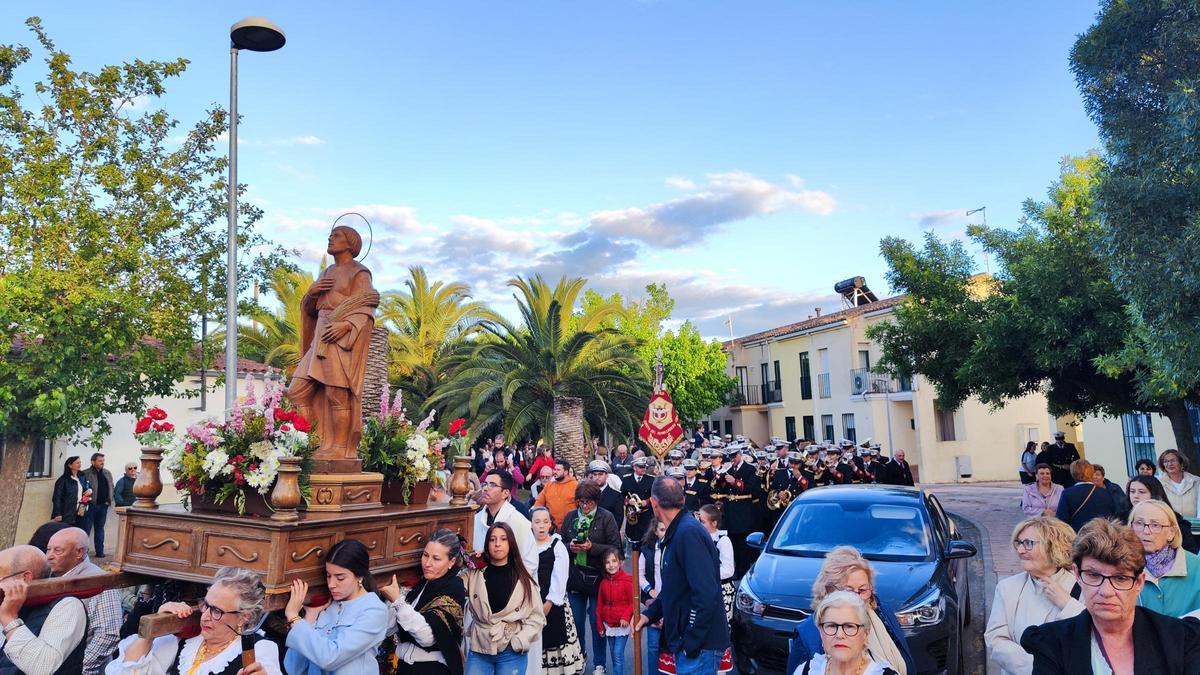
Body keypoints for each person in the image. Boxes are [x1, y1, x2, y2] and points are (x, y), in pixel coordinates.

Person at [1020, 518, 1200, 673]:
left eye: (1121, 578)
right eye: (1093, 575)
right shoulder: (1052, 643)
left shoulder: (1179, 638)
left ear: (1139, 582)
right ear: (1077, 575)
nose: (1106, 591)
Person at [632, 477, 730, 675]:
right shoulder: (677, 532)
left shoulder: (688, 533)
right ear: (683, 500)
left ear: (653, 503)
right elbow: (674, 588)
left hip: (700, 646)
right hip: (691, 642)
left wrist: (691, 641)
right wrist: (650, 615)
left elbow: (705, 594)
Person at [107, 566, 278, 675]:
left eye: (217, 611)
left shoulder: (258, 650)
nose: (205, 616)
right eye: (206, 605)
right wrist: (153, 629)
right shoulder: (187, 641)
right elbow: (126, 670)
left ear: (244, 616)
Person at [785, 546, 914, 675]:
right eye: (848, 591)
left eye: (862, 590)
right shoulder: (807, 637)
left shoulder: (883, 614)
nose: (857, 598)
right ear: (828, 591)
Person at [984, 516, 1084, 674]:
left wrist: (1068, 604)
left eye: (1029, 543)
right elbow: (996, 640)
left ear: (1054, 546)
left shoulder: (1083, 587)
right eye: (1019, 542)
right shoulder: (1007, 588)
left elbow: (1093, 639)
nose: (1020, 550)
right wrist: (1038, 669)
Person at [284, 539, 388, 674]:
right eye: (328, 576)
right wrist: (308, 620)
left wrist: (294, 617)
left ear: (360, 576)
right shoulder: (325, 606)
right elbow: (293, 668)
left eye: (340, 578)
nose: (331, 584)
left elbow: (330, 658)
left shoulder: (374, 611)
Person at [378, 528, 467, 675]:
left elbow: (427, 637)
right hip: (402, 667)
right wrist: (395, 594)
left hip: (431, 669)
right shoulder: (420, 584)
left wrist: (397, 601)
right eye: (425, 555)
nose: (427, 563)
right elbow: (388, 627)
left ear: (451, 562)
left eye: (436, 559)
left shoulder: (454, 586)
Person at [465, 522, 546, 675]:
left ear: (511, 544)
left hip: (511, 651)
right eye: (492, 539)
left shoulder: (523, 579)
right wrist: (467, 560)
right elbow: (453, 584)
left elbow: (537, 617)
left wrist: (519, 640)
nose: (497, 544)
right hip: (479, 649)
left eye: (503, 539)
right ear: (487, 544)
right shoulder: (474, 574)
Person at [561, 481, 621, 674]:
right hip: (576, 577)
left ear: (596, 501)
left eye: (589, 502)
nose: (585, 506)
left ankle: (600, 663)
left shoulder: (606, 517)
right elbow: (561, 545)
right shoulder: (571, 517)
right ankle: (580, 656)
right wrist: (569, 546)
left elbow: (615, 549)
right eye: (581, 502)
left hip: (599, 579)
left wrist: (591, 547)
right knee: (576, 622)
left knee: (597, 624)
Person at [0, 544, 87, 674]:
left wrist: (9, 619)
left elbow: (42, 668)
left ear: (24, 578)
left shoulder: (68, 606)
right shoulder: (9, 601)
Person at [45, 528, 120, 675]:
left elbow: (109, 634)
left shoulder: (98, 582)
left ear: (79, 553)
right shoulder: (49, 576)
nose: (49, 556)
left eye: (57, 550)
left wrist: (79, 668)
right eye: (48, 549)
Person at [791, 591, 900, 675]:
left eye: (849, 626)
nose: (839, 635)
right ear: (820, 633)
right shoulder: (806, 670)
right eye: (831, 626)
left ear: (865, 634)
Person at [529, 508, 583, 675]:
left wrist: (549, 603)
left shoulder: (557, 545)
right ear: (531, 524)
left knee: (555, 641)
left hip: (554, 601)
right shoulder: (526, 545)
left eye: (545, 521)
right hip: (530, 603)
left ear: (551, 524)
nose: (541, 526)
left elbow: (560, 577)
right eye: (537, 522)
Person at [1128, 499, 1200, 616]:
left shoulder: (1196, 567)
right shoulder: (1120, 565)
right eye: (1139, 523)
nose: (1146, 531)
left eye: (1155, 525)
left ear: (1171, 533)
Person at [472, 469, 538, 575]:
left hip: (512, 583)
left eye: (493, 485)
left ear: (505, 493)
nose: (485, 488)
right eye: (485, 484)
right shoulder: (476, 520)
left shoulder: (519, 522)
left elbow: (530, 563)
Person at [1127, 475, 1199, 553]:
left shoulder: (1177, 524)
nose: (1135, 496)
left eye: (1142, 492)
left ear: (1154, 493)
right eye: (1132, 491)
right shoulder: (1121, 520)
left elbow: (1191, 556)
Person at [594, 549, 632, 675]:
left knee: (617, 654)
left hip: (622, 626)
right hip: (608, 625)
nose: (611, 565)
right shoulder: (603, 583)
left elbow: (633, 603)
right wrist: (600, 625)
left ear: (620, 562)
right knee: (613, 654)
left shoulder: (627, 581)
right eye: (607, 562)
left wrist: (626, 617)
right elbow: (599, 605)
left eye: (614, 561)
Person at [637, 520, 667, 675]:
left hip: (671, 602)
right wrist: (650, 591)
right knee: (653, 646)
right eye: (662, 530)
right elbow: (640, 575)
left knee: (671, 647)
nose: (665, 533)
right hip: (654, 601)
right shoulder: (647, 549)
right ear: (655, 531)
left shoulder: (676, 547)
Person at [697, 505, 736, 621]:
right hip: (703, 589)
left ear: (714, 523)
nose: (698, 524)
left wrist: (705, 574)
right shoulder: (697, 538)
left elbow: (728, 570)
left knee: (720, 628)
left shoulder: (723, 541)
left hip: (721, 589)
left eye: (702, 521)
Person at [1055, 459, 1116, 531]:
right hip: (1101, 536)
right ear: (1091, 472)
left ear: (1073, 473)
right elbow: (1111, 517)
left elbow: (1061, 521)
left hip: (1078, 537)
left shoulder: (1067, 493)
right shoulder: (1104, 493)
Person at [81, 453, 115, 557]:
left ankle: (100, 552)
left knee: (100, 530)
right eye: (100, 461)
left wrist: (108, 500)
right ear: (93, 462)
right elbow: (81, 489)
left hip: (103, 506)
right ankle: (83, 553)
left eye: (103, 461)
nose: (102, 463)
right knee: (85, 530)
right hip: (90, 506)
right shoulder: (85, 473)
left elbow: (111, 486)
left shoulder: (107, 473)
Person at [534, 458, 578, 530]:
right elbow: (538, 503)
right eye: (554, 469)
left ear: (566, 472)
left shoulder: (575, 486)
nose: (555, 472)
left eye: (558, 470)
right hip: (552, 528)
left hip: (571, 528)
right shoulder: (549, 486)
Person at [620, 457, 654, 547]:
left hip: (646, 515)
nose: (644, 469)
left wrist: (647, 501)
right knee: (633, 541)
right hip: (632, 516)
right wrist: (628, 501)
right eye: (641, 467)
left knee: (646, 539)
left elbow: (655, 496)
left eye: (645, 467)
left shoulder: (651, 479)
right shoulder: (627, 479)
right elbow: (621, 496)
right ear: (634, 468)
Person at [50, 456, 91, 530]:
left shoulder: (82, 476)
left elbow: (87, 488)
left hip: (82, 508)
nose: (80, 464)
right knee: (67, 533)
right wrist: (57, 513)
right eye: (77, 463)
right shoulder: (62, 480)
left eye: (80, 462)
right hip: (67, 512)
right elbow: (57, 498)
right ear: (70, 465)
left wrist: (89, 491)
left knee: (79, 532)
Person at [1157, 449, 1200, 519]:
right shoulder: (1158, 483)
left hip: (1194, 525)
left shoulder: (1196, 481)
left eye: (1173, 460)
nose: (1169, 464)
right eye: (1165, 461)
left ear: (1181, 462)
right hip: (1170, 526)